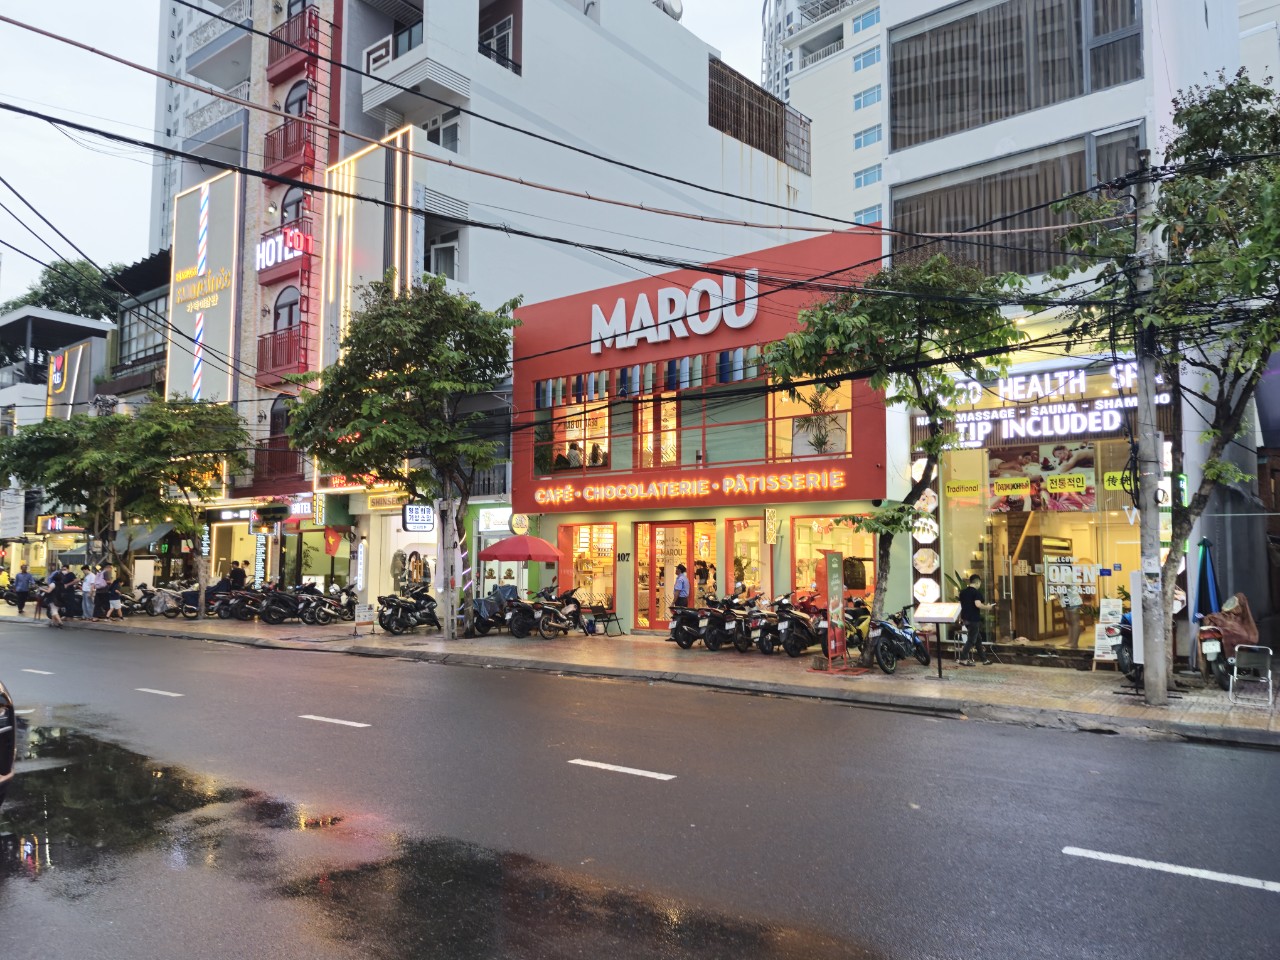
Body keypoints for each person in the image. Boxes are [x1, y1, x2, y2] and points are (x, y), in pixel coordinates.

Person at [958, 573, 996, 665]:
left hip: (965, 619)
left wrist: (960, 618)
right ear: (978, 582)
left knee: (978, 639)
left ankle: (984, 660)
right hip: (973, 619)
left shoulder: (963, 592)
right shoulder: (976, 593)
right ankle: (963, 659)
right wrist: (988, 607)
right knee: (971, 640)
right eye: (980, 583)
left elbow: (960, 606)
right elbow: (978, 604)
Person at [1061, 581, 1083, 648]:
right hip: (1066, 602)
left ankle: (1074, 643)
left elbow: (1066, 584)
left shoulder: (1067, 575)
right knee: (1070, 622)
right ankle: (1070, 641)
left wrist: (1055, 585)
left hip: (1073, 601)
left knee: (1075, 623)